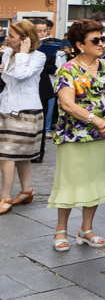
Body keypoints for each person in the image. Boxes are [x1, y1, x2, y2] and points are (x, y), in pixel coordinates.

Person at [48, 19, 105, 250]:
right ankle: (60, 229)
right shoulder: (68, 69)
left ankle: (86, 229)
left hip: (104, 134)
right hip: (74, 135)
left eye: (102, 39)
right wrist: (97, 120)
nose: (102, 43)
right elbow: (67, 104)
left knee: (96, 182)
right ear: (80, 44)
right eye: (96, 40)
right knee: (70, 182)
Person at [0, 21, 46, 215]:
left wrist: (22, 55)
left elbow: (21, 75)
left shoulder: (38, 56)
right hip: (6, 109)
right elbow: (8, 80)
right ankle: (26, 191)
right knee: (20, 155)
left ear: (25, 39)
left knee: (6, 155)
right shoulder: (8, 53)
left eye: (11, 35)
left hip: (26, 112)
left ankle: (5, 197)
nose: (6, 38)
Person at [30, 18, 58, 164]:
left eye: (43, 31)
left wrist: (41, 61)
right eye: (38, 31)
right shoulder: (25, 47)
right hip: (28, 88)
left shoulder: (48, 47)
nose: (42, 34)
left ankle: (39, 153)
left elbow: (53, 69)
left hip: (43, 88)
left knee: (40, 124)